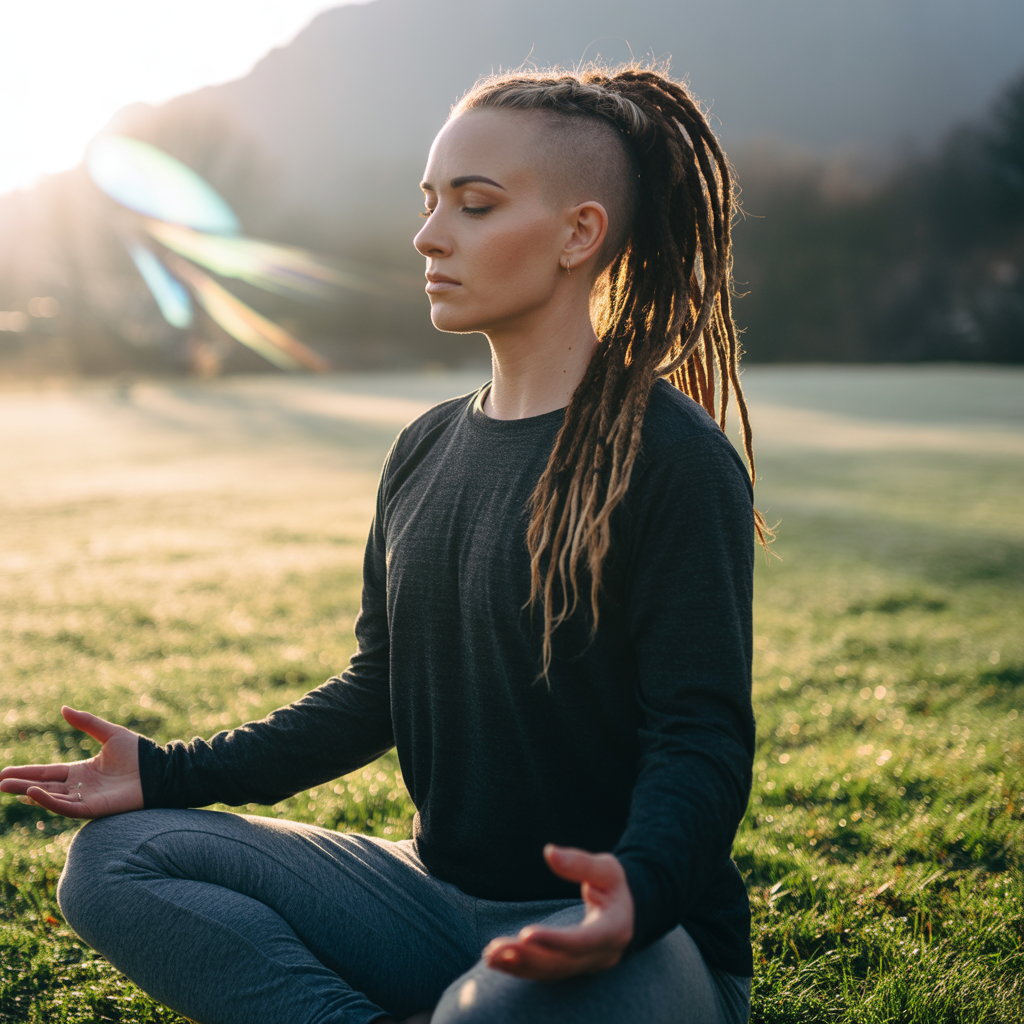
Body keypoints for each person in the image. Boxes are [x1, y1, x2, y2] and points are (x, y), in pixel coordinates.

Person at [0, 65, 768, 1024]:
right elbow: (380, 690)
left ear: (580, 234)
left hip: (634, 936)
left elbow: (699, 737)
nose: (429, 235)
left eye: (475, 206)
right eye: (431, 201)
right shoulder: (426, 448)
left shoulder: (673, 460)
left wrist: (639, 892)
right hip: (434, 898)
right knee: (115, 861)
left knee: (484, 1013)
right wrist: (168, 773)